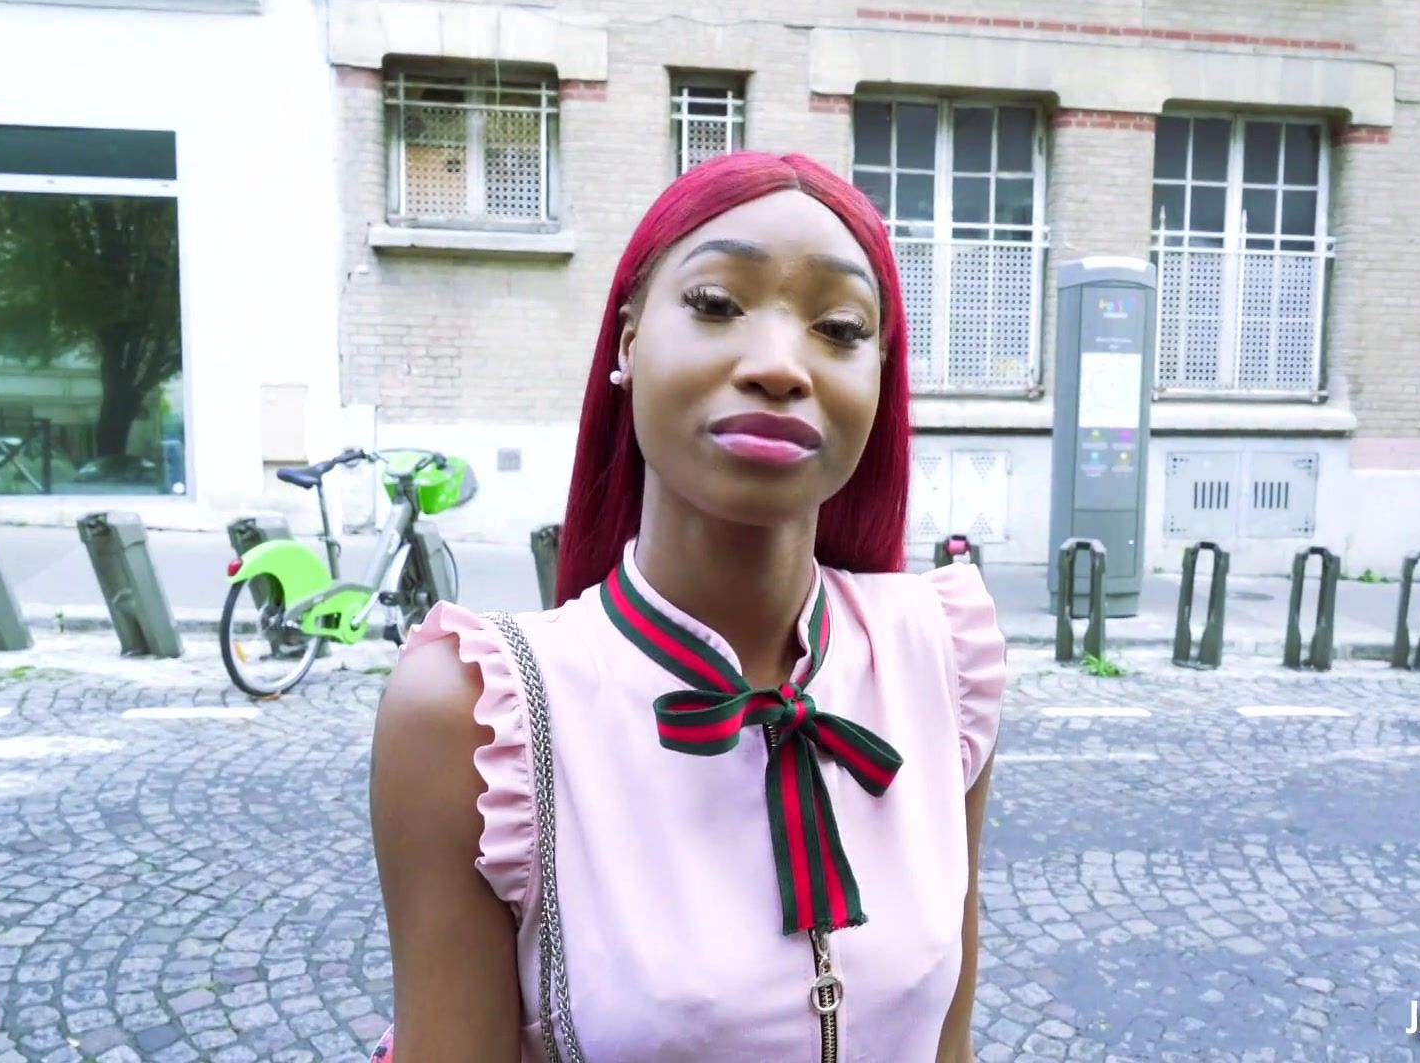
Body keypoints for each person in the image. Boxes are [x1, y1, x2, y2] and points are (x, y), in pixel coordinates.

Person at [368, 150, 1007, 1062]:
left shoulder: (943, 655)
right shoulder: (476, 713)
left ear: (880, 376)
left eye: (839, 326)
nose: (779, 365)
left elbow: (950, 1044)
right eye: (714, 304)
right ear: (627, 343)